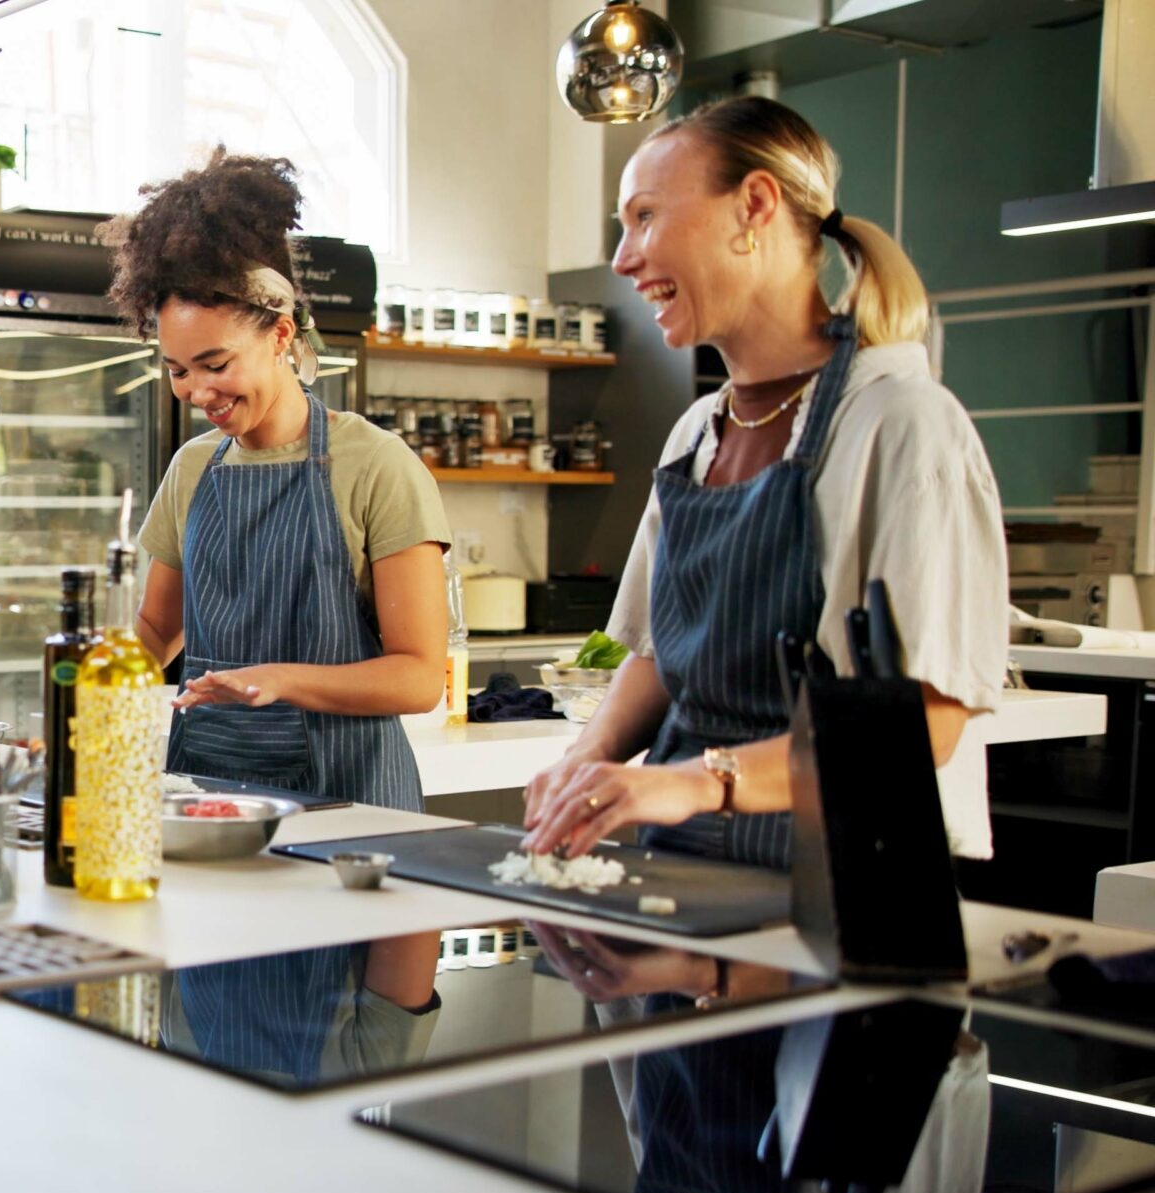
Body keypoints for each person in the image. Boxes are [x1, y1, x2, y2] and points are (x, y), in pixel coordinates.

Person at [523, 97, 1007, 869]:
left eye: (644, 217)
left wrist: (701, 781)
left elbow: (926, 721)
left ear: (754, 205)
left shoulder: (901, 424)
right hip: (683, 863)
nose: (623, 259)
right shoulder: (696, 436)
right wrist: (589, 757)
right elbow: (654, 651)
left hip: (843, 881)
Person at [102, 151, 451, 811]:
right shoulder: (192, 468)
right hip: (209, 796)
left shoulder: (375, 465)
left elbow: (417, 678)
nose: (196, 390)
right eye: (177, 370)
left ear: (281, 333)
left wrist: (279, 682)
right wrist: (82, 703)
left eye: (215, 362)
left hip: (351, 804)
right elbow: (155, 629)